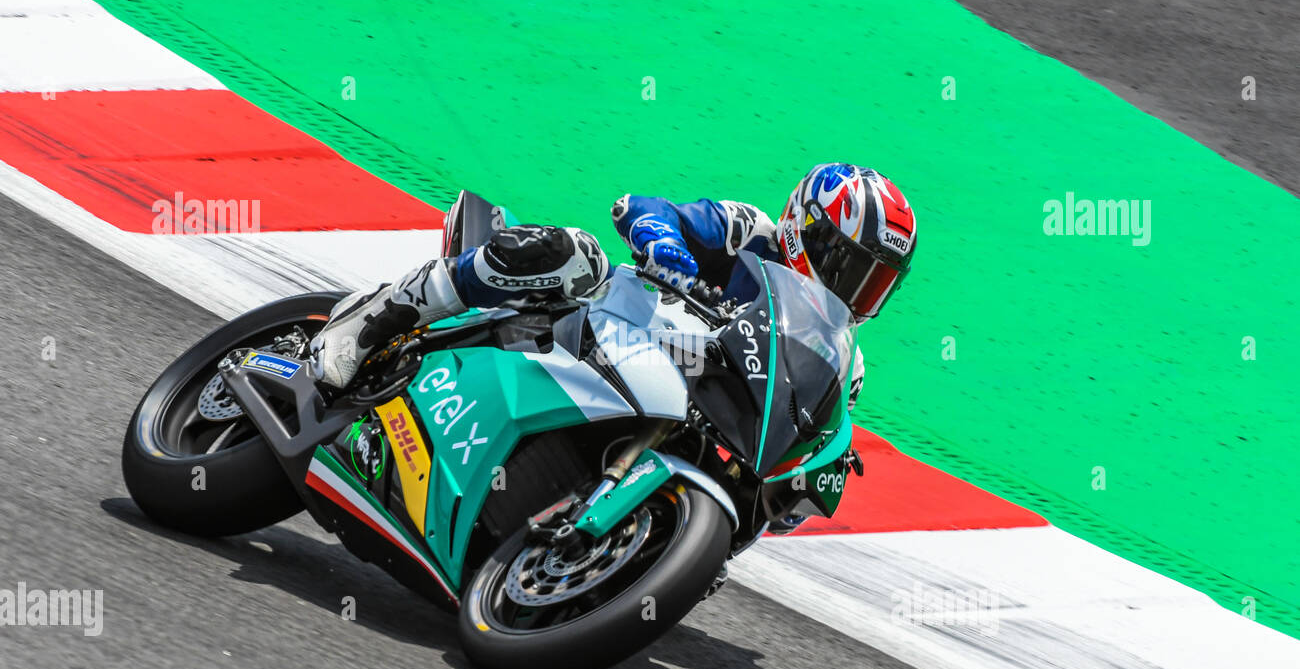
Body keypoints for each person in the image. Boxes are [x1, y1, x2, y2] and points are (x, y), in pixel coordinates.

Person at [309, 163, 917, 399]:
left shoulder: (844, 363)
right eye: (850, 267)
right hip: (603, 325)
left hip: (674, 402)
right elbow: (639, 205)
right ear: (805, 228)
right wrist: (669, 253)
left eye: (875, 283)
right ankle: (377, 318)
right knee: (574, 253)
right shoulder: (748, 232)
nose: (855, 292)